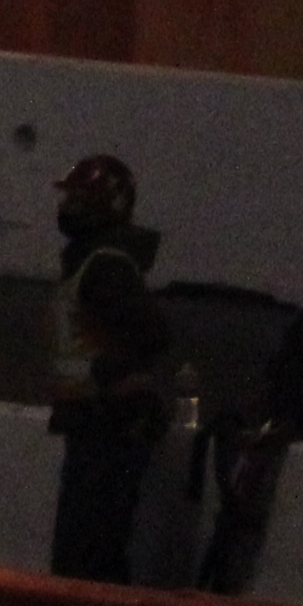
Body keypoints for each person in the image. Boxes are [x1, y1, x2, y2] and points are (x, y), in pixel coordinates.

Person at [44, 152, 183, 582]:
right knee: (89, 554)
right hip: (96, 422)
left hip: (105, 426)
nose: (68, 209)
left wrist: (109, 376)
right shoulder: (97, 261)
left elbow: (151, 333)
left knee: (87, 557)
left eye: (80, 201)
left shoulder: (103, 265)